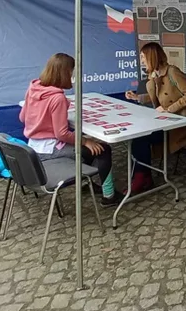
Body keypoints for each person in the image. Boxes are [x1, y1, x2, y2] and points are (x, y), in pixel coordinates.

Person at [20, 53, 119, 205]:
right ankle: (109, 196)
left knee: (90, 148)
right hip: (50, 149)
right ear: (66, 73)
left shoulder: (34, 88)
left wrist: (43, 121)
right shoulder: (57, 98)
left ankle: (86, 182)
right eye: (72, 72)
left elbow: (22, 118)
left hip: (33, 146)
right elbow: (62, 134)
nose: (73, 76)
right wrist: (85, 141)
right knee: (103, 149)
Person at [125, 42, 186, 193]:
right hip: (166, 121)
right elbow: (157, 99)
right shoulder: (154, 74)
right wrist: (137, 97)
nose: (141, 60)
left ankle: (142, 178)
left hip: (181, 123)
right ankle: (143, 177)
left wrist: (168, 110)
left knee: (141, 139)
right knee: (138, 138)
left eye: (143, 56)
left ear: (151, 57)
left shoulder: (173, 72)